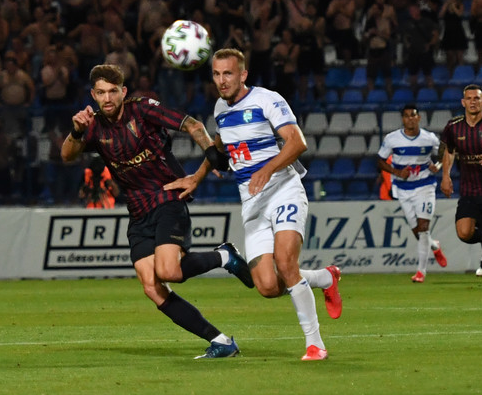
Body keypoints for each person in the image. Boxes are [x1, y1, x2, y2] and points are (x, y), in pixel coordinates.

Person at [61, 63, 253, 359]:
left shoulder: (143, 110)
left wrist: (210, 153)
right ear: (93, 95)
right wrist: (76, 131)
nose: (108, 98)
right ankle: (222, 341)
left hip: (167, 199)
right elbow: (67, 155)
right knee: (151, 286)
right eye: (101, 93)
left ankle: (224, 257)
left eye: (113, 91)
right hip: (138, 213)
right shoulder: (94, 126)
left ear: (123, 92)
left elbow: (192, 124)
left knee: (167, 272)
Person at [164, 48, 342, 361]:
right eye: (217, 74)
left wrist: (267, 168)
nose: (222, 81)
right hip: (252, 202)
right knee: (268, 286)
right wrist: (196, 177)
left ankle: (315, 345)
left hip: (283, 189)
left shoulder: (267, 99)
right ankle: (324, 277)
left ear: (243, 74)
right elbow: (220, 146)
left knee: (287, 263)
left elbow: (297, 142)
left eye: (228, 73)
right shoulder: (220, 107)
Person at [440, 84, 482, 292]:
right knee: (464, 232)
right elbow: (449, 152)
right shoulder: (453, 126)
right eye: (469, 98)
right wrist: (445, 176)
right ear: (463, 102)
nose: (473, 102)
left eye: (477, 98)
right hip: (469, 191)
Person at [377, 105, 447, 283]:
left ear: (419, 118)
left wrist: (437, 166)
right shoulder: (392, 139)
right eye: (406, 116)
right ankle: (434, 245)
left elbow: (443, 154)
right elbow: (380, 160)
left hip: (425, 186)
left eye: (413, 115)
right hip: (402, 189)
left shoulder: (428, 138)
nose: (410, 119)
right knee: (417, 231)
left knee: (423, 228)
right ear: (402, 119)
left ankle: (421, 272)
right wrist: (397, 172)